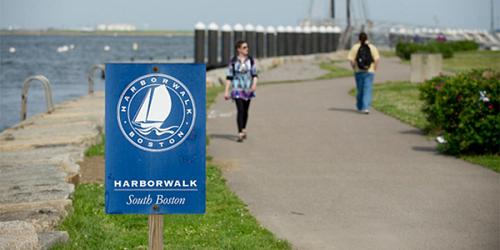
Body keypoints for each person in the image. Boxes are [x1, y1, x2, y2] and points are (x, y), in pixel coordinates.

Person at [224, 40, 258, 142]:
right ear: (238, 49)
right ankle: (240, 133)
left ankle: (243, 128)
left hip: (248, 89)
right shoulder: (233, 61)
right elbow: (229, 77)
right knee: (240, 110)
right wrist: (226, 91)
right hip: (237, 88)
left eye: (247, 47)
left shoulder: (250, 60)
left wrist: (254, 84)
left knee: (246, 111)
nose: (246, 49)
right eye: (244, 47)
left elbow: (255, 75)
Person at [347, 32, 380, 114]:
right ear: (367, 38)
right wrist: (375, 68)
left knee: (360, 89)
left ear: (359, 38)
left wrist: (354, 67)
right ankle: (366, 107)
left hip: (358, 71)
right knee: (367, 89)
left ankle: (360, 106)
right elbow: (377, 59)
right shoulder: (372, 47)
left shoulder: (355, 47)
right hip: (370, 71)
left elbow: (351, 59)